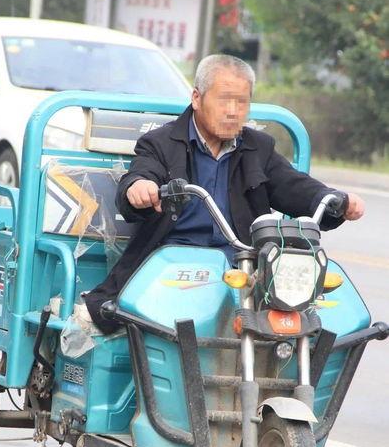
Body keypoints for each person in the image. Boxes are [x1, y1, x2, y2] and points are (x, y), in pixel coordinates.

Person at [85, 54, 364, 333]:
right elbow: (141, 174)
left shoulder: (259, 148)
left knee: (308, 324)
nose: (232, 111)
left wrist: (336, 200)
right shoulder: (160, 143)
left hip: (243, 269)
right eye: (224, 100)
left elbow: (293, 185)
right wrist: (139, 187)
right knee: (157, 327)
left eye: (241, 102)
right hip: (172, 266)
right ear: (197, 98)